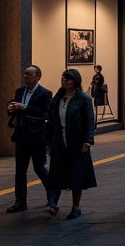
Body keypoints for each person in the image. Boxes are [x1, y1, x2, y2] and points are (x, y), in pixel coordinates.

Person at [46, 68, 96, 219]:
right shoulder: (58, 98)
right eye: (63, 78)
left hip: (76, 143)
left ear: (75, 81)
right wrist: (48, 143)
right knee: (56, 173)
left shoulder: (83, 98)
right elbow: (51, 122)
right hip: (59, 141)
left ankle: (76, 207)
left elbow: (89, 122)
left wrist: (87, 142)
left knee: (76, 175)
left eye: (68, 78)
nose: (65, 80)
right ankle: (53, 203)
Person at [5, 64, 53, 213]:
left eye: (30, 75)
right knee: (20, 170)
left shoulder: (45, 93)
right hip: (22, 135)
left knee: (39, 167)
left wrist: (26, 108)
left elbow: (45, 113)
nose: (26, 77)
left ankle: (51, 194)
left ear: (38, 77)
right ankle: (20, 201)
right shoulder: (20, 92)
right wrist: (11, 109)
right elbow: (15, 111)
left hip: (37, 135)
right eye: (25, 74)